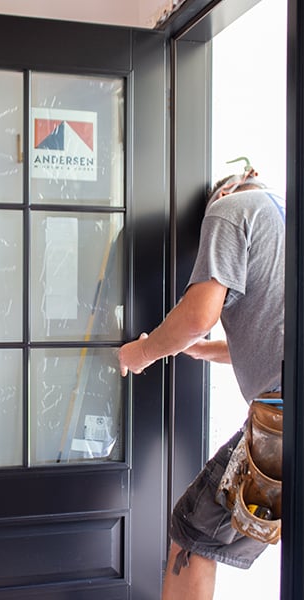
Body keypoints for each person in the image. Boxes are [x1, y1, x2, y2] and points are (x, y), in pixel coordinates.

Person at [118, 165, 285, 600]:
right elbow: (262, 341)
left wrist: (142, 352)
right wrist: (191, 348)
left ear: (226, 190)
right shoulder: (288, 220)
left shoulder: (230, 209)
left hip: (288, 419)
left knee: (195, 532)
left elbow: (196, 316)